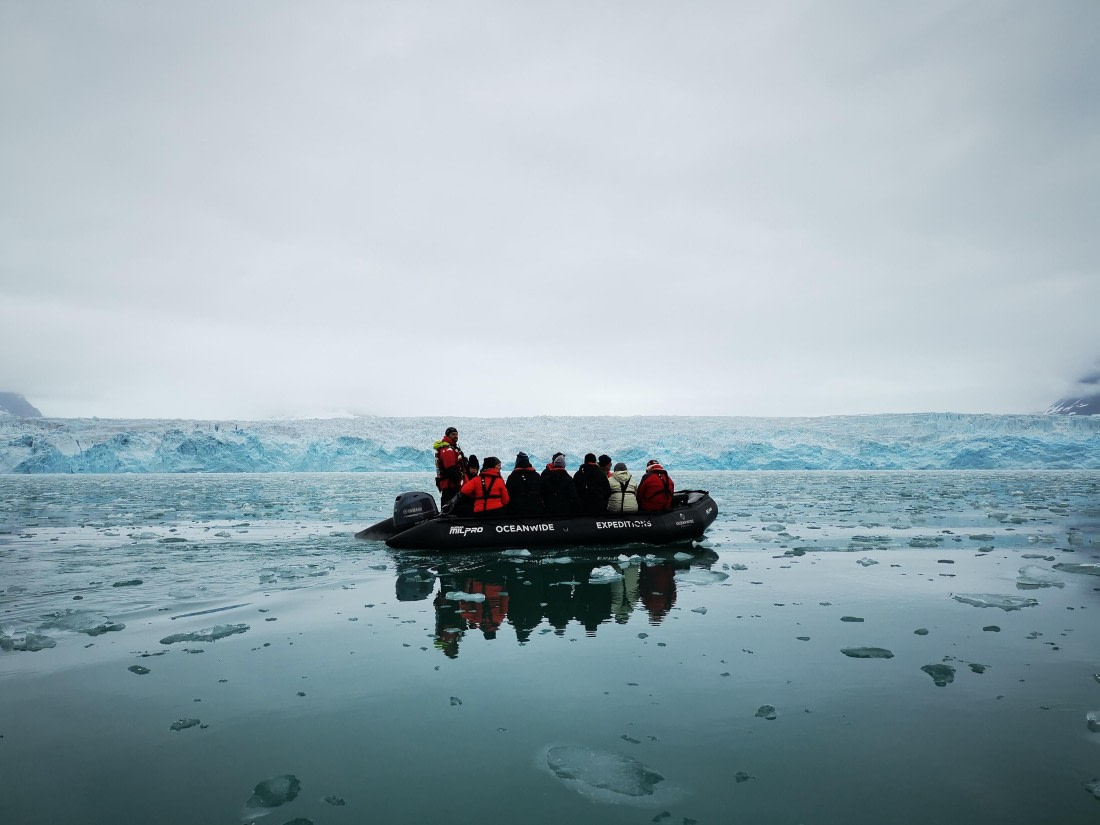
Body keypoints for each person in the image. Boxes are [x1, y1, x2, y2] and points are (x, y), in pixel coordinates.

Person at [433, 426, 468, 509]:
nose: (455, 436)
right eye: (453, 434)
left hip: (453, 485)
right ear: (447, 435)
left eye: (456, 434)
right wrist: (459, 483)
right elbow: (451, 468)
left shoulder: (452, 448)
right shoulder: (447, 450)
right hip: (450, 486)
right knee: (451, 507)